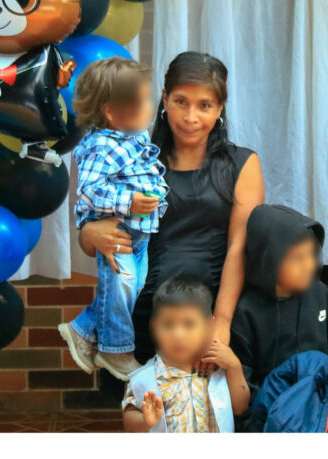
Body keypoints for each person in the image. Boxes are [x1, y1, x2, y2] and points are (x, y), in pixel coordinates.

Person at [77, 52, 265, 364]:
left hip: (210, 318)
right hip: (144, 318)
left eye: (204, 105)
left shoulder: (242, 165)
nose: (191, 116)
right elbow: (97, 239)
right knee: (143, 413)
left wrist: (223, 320)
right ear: (164, 100)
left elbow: (239, 247)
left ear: (220, 108)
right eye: (181, 101)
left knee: (209, 412)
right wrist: (89, 233)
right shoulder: (134, 162)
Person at [58, 58, 169, 381]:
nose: (151, 107)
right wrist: (130, 200)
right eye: (143, 101)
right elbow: (90, 191)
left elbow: (145, 172)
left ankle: (81, 329)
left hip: (141, 233)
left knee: (130, 288)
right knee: (121, 284)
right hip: (117, 231)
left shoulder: (136, 136)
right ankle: (115, 350)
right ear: (111, 111)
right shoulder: (100, 146)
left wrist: (155, 193)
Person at [229, 204, 328, 430]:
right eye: (297, 258)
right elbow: (244, 381)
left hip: (322, 416)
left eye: (312, 254)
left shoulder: (320, 294)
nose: (310, 265)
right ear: (269, 260)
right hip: (272, 421)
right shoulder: (247, 312)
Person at [122, 274, 249, 432]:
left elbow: (240, 408)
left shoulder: (218, 369)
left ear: (209, 326)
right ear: (154, 327)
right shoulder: (144, 379)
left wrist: (234, 367)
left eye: (189, 324)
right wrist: (144, 421)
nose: (178, 335)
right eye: (168, 325)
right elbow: (128, 417)